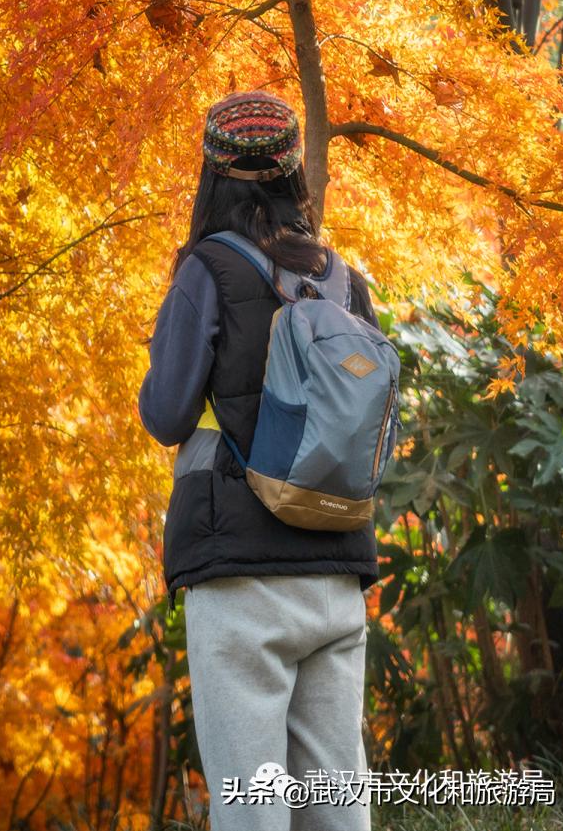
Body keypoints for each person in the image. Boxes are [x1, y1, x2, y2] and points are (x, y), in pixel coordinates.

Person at [138, 90, 381, 831]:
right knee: (337, 809)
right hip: (336, 576)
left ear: (212, 173)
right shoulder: (345, 282)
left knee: (254, 809)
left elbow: (165, 412)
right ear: (290, 173)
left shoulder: (207, 271)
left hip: (240, 576)